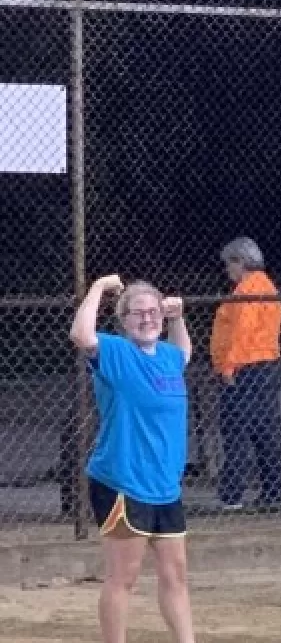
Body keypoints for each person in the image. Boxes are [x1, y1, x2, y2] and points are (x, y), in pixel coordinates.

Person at [70, 274, 197, 643]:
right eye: (138, 313)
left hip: (165, 486)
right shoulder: (116, 353)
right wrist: (97, 288)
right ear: (123, 321)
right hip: (124, 481)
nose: (147, 319)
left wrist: (178, 318)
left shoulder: (169, 357)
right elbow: (81, 334)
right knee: (123, 577)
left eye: (153, 311)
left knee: (176, 575)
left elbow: (184, 353)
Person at [210, 236, 281, 510]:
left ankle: (232, 494)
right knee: (264, 428)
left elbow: (242, 331)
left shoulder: (247, 290)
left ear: (240, 262)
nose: (227, 270)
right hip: (265, 364)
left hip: (245, 366)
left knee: (236, 429)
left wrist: (229, 366)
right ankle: (274, 490)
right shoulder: (267, 287)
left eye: (229, 264)